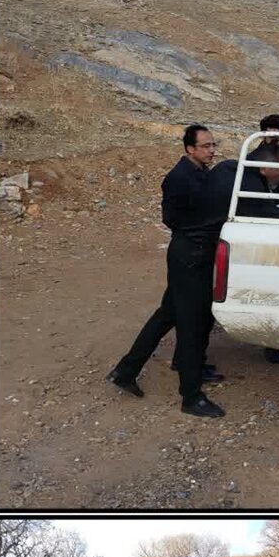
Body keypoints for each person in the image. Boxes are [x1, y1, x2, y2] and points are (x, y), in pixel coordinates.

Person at [106, 125, 228, 417]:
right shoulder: (179, 177)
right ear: (190, 148)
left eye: (213, 145)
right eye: (206, 146)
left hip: (193, 253)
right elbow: (172, 218)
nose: (211, 150)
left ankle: (126, 370)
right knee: (191, 323)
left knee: (167, 315)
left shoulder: (200, 173)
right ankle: (191, 396)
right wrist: (200, 230)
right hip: (189, 255)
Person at [210, 143, 279, 363]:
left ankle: (129, 368)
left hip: (200, 244)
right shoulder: (251, 186)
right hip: (203, 250)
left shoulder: (230, 168)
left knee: (177, 311)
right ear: (264, 168)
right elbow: (270, 215)